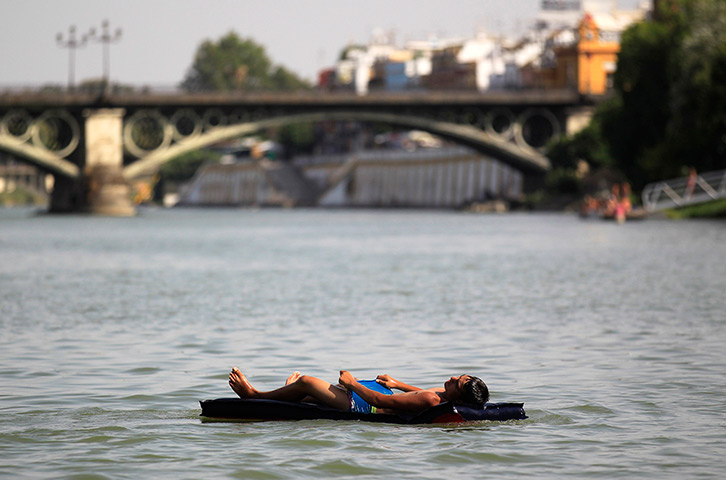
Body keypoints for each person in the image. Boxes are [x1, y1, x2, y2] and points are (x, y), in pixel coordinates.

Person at [228, 368, 489, 414]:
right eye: (459, 375)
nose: (453, 378)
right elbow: (419, 393)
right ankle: (288, 393)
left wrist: (353, 384)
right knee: (308, 395)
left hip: (367, 406)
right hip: (378, 397)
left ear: (459, 396)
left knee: (308, 382)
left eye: (459, 382)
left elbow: (375, 399)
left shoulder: (434, 399)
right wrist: (397, 384)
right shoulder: (439, 396)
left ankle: (253, 395)